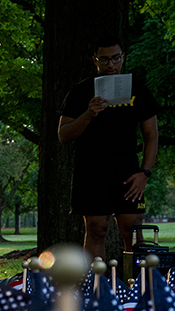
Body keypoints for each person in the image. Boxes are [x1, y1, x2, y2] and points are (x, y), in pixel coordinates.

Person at [58, 36, 159, 261]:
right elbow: (63, 135)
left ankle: (138, 288)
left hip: (128, 172)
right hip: (91, 172)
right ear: (95, 60)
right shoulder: (81, 92)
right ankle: (97, 290)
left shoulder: (139, 90)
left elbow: (151, 136)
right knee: (96, 228)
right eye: (104, 59)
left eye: (115, 58)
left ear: (123, 58)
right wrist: (88, 114)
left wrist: (145, 173)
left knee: (132, 231)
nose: (110, 64)